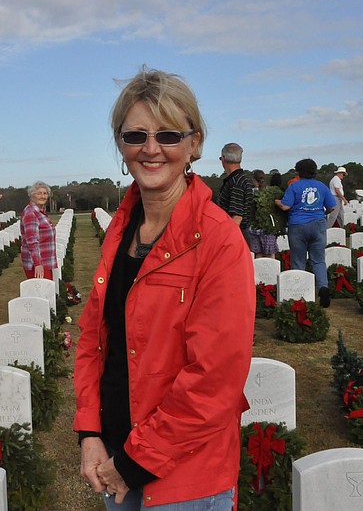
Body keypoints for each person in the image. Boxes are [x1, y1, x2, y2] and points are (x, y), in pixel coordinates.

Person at [74, 68, 254, 510]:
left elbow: (215, 377)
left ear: (194, 145)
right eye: (136, 135)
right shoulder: (122, 227)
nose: (151, 149)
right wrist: (90, 433)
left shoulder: (218, 240)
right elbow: (96, 340)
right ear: (120, 145)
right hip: (116, 460)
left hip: (185, 479)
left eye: (169, 135)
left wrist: (134, 462)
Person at [275, 158, 336, 307]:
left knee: (298, 260)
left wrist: (276, 201)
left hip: (298, 225)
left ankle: (299, 294)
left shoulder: (295, 186)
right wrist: (321, 212)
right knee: (318, 259)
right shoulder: (321, 186)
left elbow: (285, 207)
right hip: (318, 224)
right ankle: (323, 287)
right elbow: (332, 207)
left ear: (298, 172)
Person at [217, 142, 254, 247]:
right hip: (242, 233)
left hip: (236, 235)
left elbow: (237, 218)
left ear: (223, 158)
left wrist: (224, 240)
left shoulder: (236, 182)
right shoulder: (243, 179)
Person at [19, 181, 57, 280]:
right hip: (37, 264)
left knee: (47, 293)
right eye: (39, 193)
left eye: (45, 193)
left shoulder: (40, 212)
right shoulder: (31, 214)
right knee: (42, 293)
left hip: (45, 261)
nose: (43, 196)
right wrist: (38, 264)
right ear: (32, 196)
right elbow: (32, 241)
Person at [248, 169, 279, 258]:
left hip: (254, 228)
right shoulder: (271, 192)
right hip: (268, 227)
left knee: (258, 254)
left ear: (254, 180)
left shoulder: (251, 192)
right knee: (271, 253)